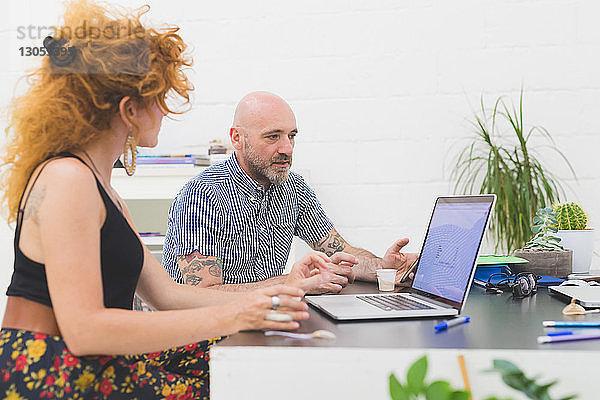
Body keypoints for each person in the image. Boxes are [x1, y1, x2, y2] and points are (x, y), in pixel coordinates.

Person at [0, 2, 336, 398]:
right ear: (129, 109)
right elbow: (86, 330)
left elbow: (167, 295)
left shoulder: (100, 187)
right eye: (159, 98)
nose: (165, 111)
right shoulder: (66, 178)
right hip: (50, 370)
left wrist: (269, 293)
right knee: (242, 378)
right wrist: (233, 314)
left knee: (252, 364)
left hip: (90, 362)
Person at [162, 91, 419, 292]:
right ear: (237, 138)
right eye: (273, 137)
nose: (287, 148)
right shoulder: (202, 195)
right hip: (200, 337)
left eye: (291, 136)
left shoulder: (293, 188)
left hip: (259, 320)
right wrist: (295, 283)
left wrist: (383, 268)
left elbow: (341, 251)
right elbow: (204, 294)